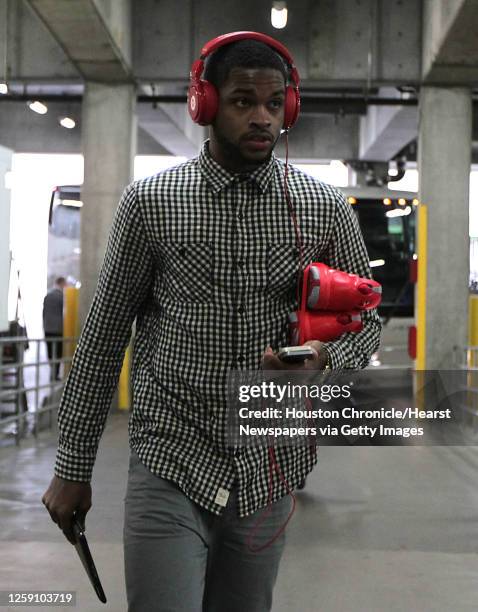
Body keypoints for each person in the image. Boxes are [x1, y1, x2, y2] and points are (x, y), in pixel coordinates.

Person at [42, 32, 381, 611]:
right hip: (170, 459)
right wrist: (72, 468)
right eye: (242, 101)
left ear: (290, 109)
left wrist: (325, 359)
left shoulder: (323, 208)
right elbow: (101, 339)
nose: (261, 118)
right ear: (204, 103)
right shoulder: (151, 203)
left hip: (268, 468)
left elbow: (365, 323)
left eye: (275, 105)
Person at [42, 276, 66, 380]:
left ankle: (52, 373)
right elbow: (65, 313)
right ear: (61, 284)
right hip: (58, 329)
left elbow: (43, 313)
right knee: (58, 353)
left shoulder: (47, 296)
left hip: (47, 328)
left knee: (50, 352)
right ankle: (54, 375)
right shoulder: (62, 297)